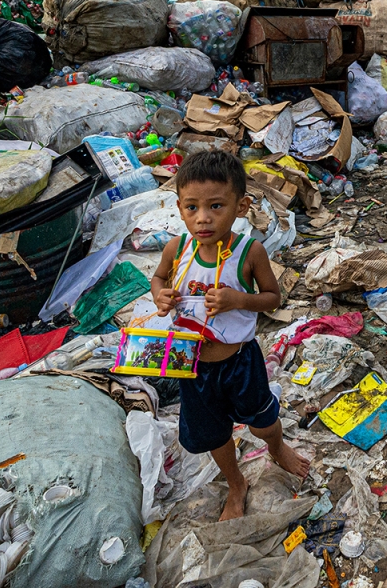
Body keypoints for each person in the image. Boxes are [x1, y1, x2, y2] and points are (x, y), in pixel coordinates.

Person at [151, 150, 310, 521]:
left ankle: (276, 446)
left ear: (241, 206)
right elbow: (158, 278)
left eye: (216, 206)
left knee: (262, 420)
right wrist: (161, 294)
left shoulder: (248, 252)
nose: (202, 218)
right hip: (191, 365)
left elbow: (273, 298)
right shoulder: (177, 249)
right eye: (192, 207)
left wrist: (239, 299)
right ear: (179, 207)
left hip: (239, 360)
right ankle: (236, 483)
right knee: (212, 433)